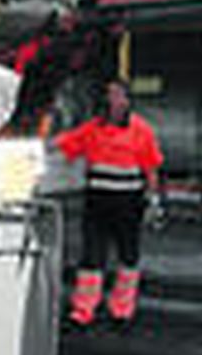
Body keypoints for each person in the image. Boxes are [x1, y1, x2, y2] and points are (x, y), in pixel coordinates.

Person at [50, 78, 163, 328]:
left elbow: (151, 168)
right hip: (97, 203)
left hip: (129, 203)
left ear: (128, 100)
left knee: (128, 258)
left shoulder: (141, 130)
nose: (114, 100)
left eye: (119, 95)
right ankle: (83, 311)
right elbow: (63, 145)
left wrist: (153, 200)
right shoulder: (92, 129)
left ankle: (121, 311)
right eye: (110, 95)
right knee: (91, 258)